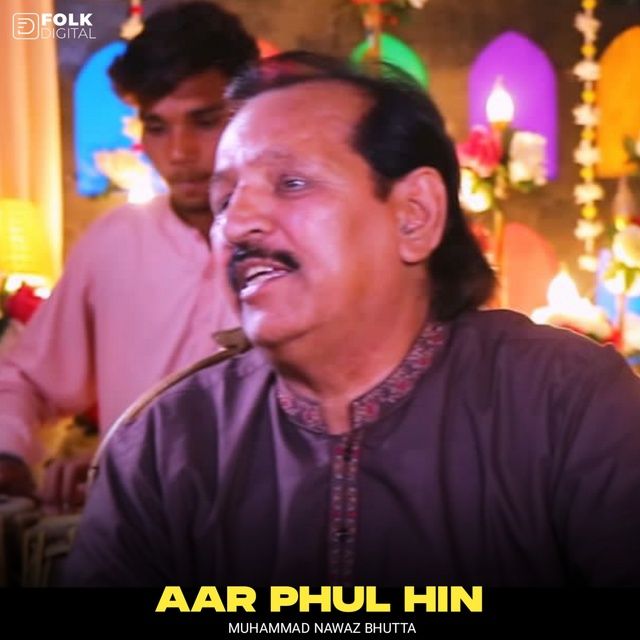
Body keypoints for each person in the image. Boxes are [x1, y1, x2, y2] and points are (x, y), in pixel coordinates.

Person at [61, 53, 640, 587]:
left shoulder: (568, 404)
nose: (237, 225)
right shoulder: (167, 443)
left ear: (414, 215)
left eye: (291, 183)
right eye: (225, 201)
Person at [0, 1, 259, 509]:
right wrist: (9, 454)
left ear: (250, 112)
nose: (179, 152)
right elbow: (28, 379)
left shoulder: (294, 239)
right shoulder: (113, 244)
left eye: (204, 121)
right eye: (157, 126)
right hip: (135, 534)